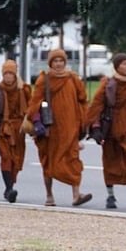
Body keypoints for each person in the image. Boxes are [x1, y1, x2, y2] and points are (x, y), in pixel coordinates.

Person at [24, 49, 92, 207]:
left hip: (70, 128)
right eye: (55, 61)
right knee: (48, 162)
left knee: (73, 159)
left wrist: (83, 120)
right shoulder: (44, 80)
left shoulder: (73, 78)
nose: (59, 64)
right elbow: (34, 103)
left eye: (61, 61)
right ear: (50, 63)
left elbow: (82, 100)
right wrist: (35, 121)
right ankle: (49, 195)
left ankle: (76, 195)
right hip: (51, 129)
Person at [86, 52, 126, 209]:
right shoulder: (108, 85)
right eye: (123, 64)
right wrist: (96, 128)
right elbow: (96, 106)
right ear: (117, 67)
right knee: (110, 163)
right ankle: (110, 196)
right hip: (111, 131)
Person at [0, 60, 31, 202]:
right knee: (6, 158)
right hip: (2, 129)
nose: (8, 77)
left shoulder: (23, 89)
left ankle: (9, 188)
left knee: (16, 160)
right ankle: (9, 189)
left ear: (15, 75)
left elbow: (31, 106)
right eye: (6, 73)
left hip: (18, 130)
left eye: (11, 73)